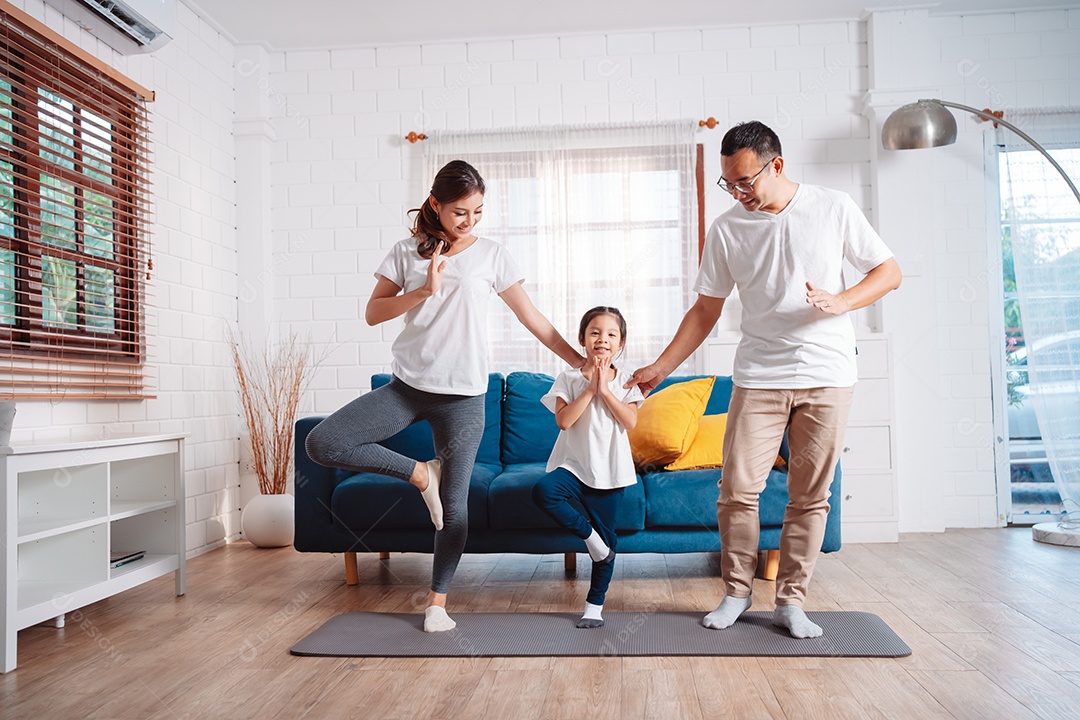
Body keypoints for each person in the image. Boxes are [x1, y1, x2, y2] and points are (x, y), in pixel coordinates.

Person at [627, 121, 902, 638]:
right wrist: (662, 368)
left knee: (810, 495)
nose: (738, 193)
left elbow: (888, 272)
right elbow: (706, 309)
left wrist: (841, 301)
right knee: (736, 491)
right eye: (728, 184)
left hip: (828, 373)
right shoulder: (729, 228)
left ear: (776, 165)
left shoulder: (833, 206)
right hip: (759, 374)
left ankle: (791, 601)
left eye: (746, 181)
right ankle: (735, 592)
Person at [305, 160, 584, 633]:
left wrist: (579, 361)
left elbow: (531, 318)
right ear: (435, 204)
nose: (470, 221)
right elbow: (373, 313)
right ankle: (420, 474)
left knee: (454, 509)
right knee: (324, 443)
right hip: (408, 389)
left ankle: (437, 602)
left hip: (464, 398)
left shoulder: (492, 255)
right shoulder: (404, 253)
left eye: (478, 212)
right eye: (460, 212)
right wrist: (424, 291)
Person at [532, 306, 643, 629]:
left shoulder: (626, 380)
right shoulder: (567, 378)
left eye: (611, 334)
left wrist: (605, 390)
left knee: (609, 542)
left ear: (621, 343)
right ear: (582, 339)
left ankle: (594, 605)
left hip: (610, 471)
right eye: (594, 332)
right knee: (544, 492)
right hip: (574, 466)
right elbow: (564, 422)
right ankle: (591, 540)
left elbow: (630, 421)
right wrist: (590, 390)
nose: (602, 340)